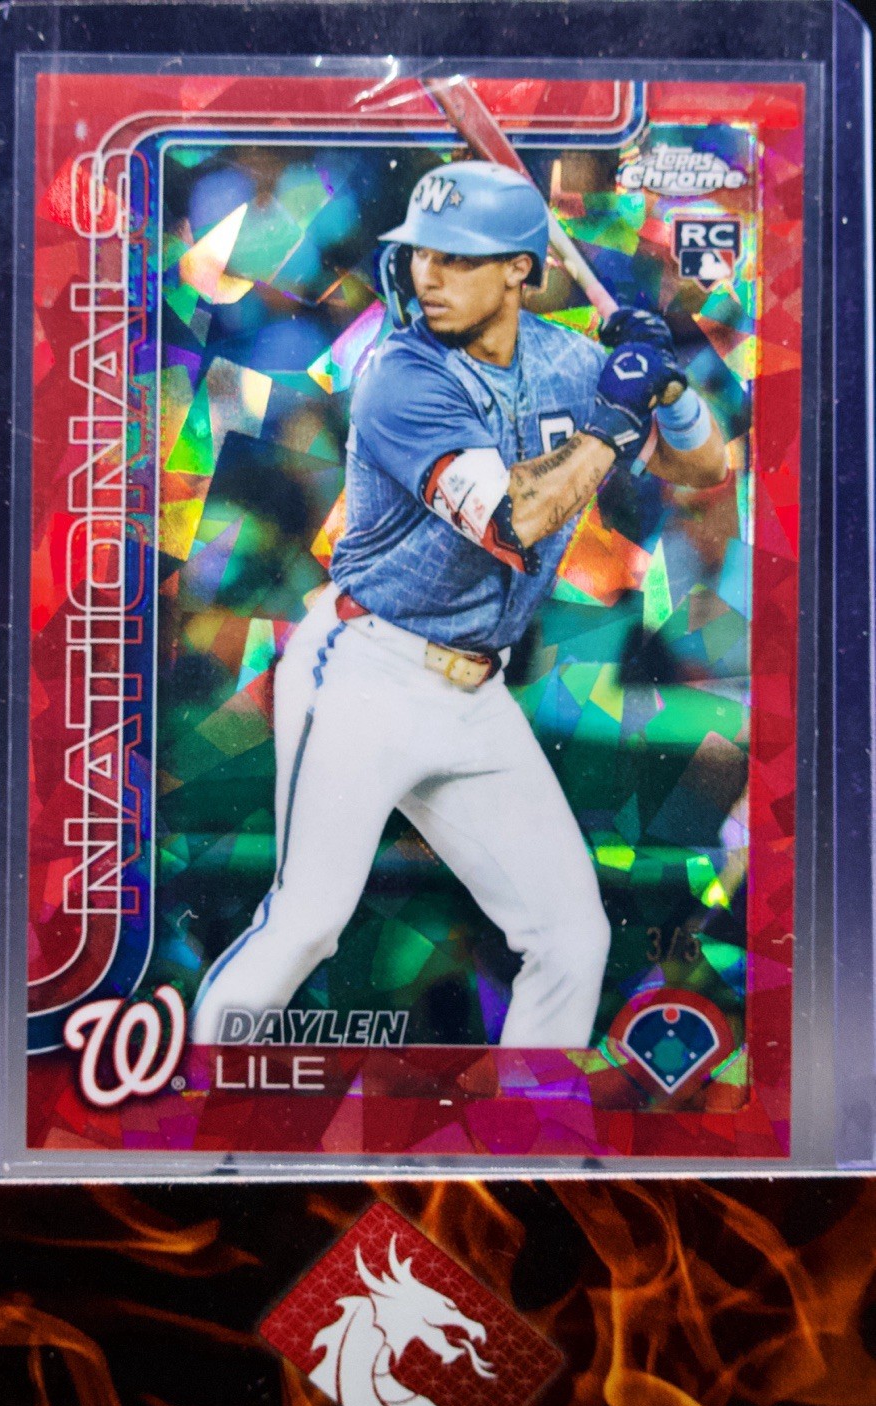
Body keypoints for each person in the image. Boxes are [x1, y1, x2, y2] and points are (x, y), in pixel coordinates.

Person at [191, 161, 727, 1049]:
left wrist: (665, 390)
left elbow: (703, 468)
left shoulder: (566, 361)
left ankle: (525, 1125)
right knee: (307, 921)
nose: (428, 275)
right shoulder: (402, 373)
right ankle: (191, 1101)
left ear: (520, 269)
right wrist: (613, 414)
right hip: (365, 671)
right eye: (421, 254)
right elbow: (513, 521)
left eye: (458, 257)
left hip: (475, 692)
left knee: (569, 937)